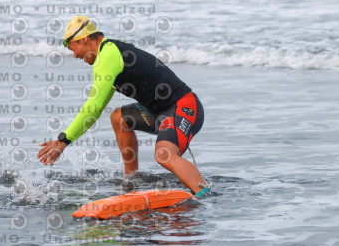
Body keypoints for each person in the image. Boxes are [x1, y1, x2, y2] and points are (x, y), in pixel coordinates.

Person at [38, 16, 210, 196]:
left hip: (184, 107)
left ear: (84, 39)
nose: (75, 55)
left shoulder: (108, 55)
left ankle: (205, 195)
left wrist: (64, 140)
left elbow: (93, 107)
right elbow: (97, 108)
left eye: (74, 49)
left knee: (164, 155)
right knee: (118, 118)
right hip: (159, 113)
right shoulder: (108, 54)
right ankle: (131, 179)